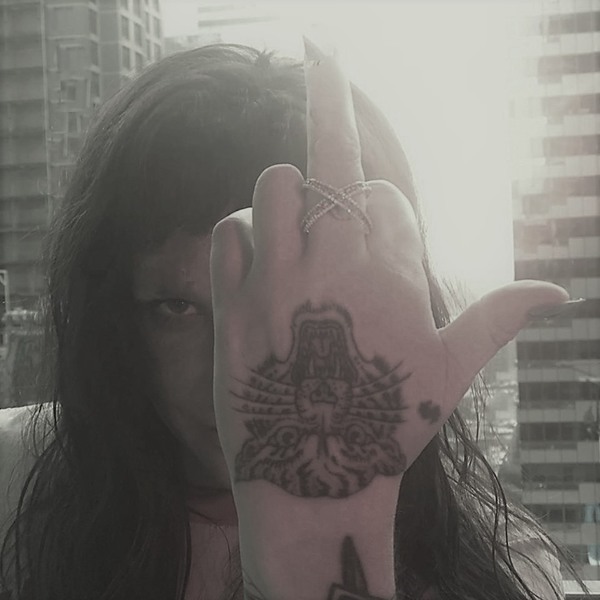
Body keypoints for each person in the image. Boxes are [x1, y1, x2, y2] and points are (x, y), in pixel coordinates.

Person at [0, 40, 582, 600]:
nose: (230, 367)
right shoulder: (15, 485)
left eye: (292, 312)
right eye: (177, 307)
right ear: (112, 317)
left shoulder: (507, 568)